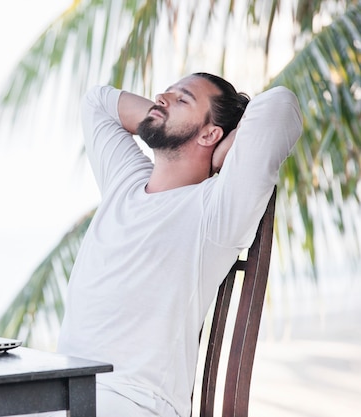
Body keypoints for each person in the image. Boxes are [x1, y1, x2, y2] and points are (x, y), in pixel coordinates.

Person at [54, 73, 303, 417]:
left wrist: (219, 154)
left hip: (133, 402)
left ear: (210, 133)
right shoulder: (124, 181)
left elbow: (280, 107)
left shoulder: (215, 212)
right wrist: (167, 113)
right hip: (62, 391)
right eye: (165, 93)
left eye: (182, 99)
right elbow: (96, 102)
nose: (161, 97)